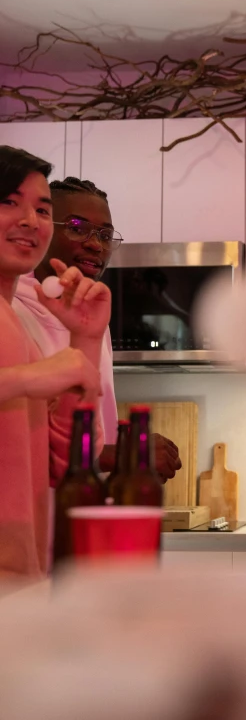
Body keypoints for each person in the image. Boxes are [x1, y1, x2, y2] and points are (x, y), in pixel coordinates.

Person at [13, 176, 181, 482]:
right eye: (77, 227)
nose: (95, 244)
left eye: (105, 235)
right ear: (44, 229)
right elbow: (21, 442)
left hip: (78, 508)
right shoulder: (13, 311)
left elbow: (76, 423)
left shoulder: (90, 318)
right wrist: (122, 454)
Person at [0, 145, 109, 577]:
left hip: (22, 572)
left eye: (42, 209)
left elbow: (66, 465)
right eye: (8, 201)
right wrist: (24, 379)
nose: (30, 220)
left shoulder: (15, 322)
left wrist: (84, 337)